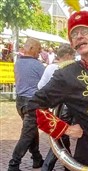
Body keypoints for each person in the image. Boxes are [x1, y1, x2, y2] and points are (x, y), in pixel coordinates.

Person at [15, 11, 88, 170]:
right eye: (74, 34)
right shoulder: (66, 74)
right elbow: (33, 106)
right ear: (72, 44)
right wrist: (65, 129)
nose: (79, 36)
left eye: (85, 31)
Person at [8, 38, 45, 171]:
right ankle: (13, 164)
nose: (40, 52)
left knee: (31, 131)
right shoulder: (38, 66)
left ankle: (37, 158)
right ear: (30, 48)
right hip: (32, 103)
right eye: (38, 49)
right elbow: (46, 82)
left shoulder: (18, 63)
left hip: (20, 102)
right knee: (27, 135)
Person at [38, 44, 75, 171]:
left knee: (62, 139)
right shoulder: (69, 69)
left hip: (54, 108)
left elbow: (40, 86)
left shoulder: (49, 67)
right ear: (68, 56)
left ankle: (68, 166)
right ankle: (46, 167)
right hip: (65, 109)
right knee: (60, 139)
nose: (74, 58)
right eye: (73, 56)